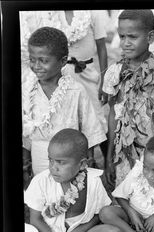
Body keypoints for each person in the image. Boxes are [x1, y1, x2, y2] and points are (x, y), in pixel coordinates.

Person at [24, 129, 123, 232]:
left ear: (82, 164)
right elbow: (36, 219)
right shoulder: (41, 181)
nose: (53, 167)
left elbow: (98, 214)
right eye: (50, 160)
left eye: (60, 162)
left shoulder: (93, 181)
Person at [102, 10, 154, 187]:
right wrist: (109, 157)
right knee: (128, 194)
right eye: (122, 36)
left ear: (150, 37)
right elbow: (113, 115)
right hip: (125, 152)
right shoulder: (115, 73)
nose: (125, 43)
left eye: (132, 37)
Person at [22, 27, 106, 185]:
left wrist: (87, 164)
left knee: (69, 202)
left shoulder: (76, 91)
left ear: (62, 61)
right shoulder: (27, 90)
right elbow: (25, 133)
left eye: (44, 60)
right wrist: (26, 163)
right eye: (32, 60)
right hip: (38, 161)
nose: (36, 66)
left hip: (70, 163)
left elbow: (89, 130)